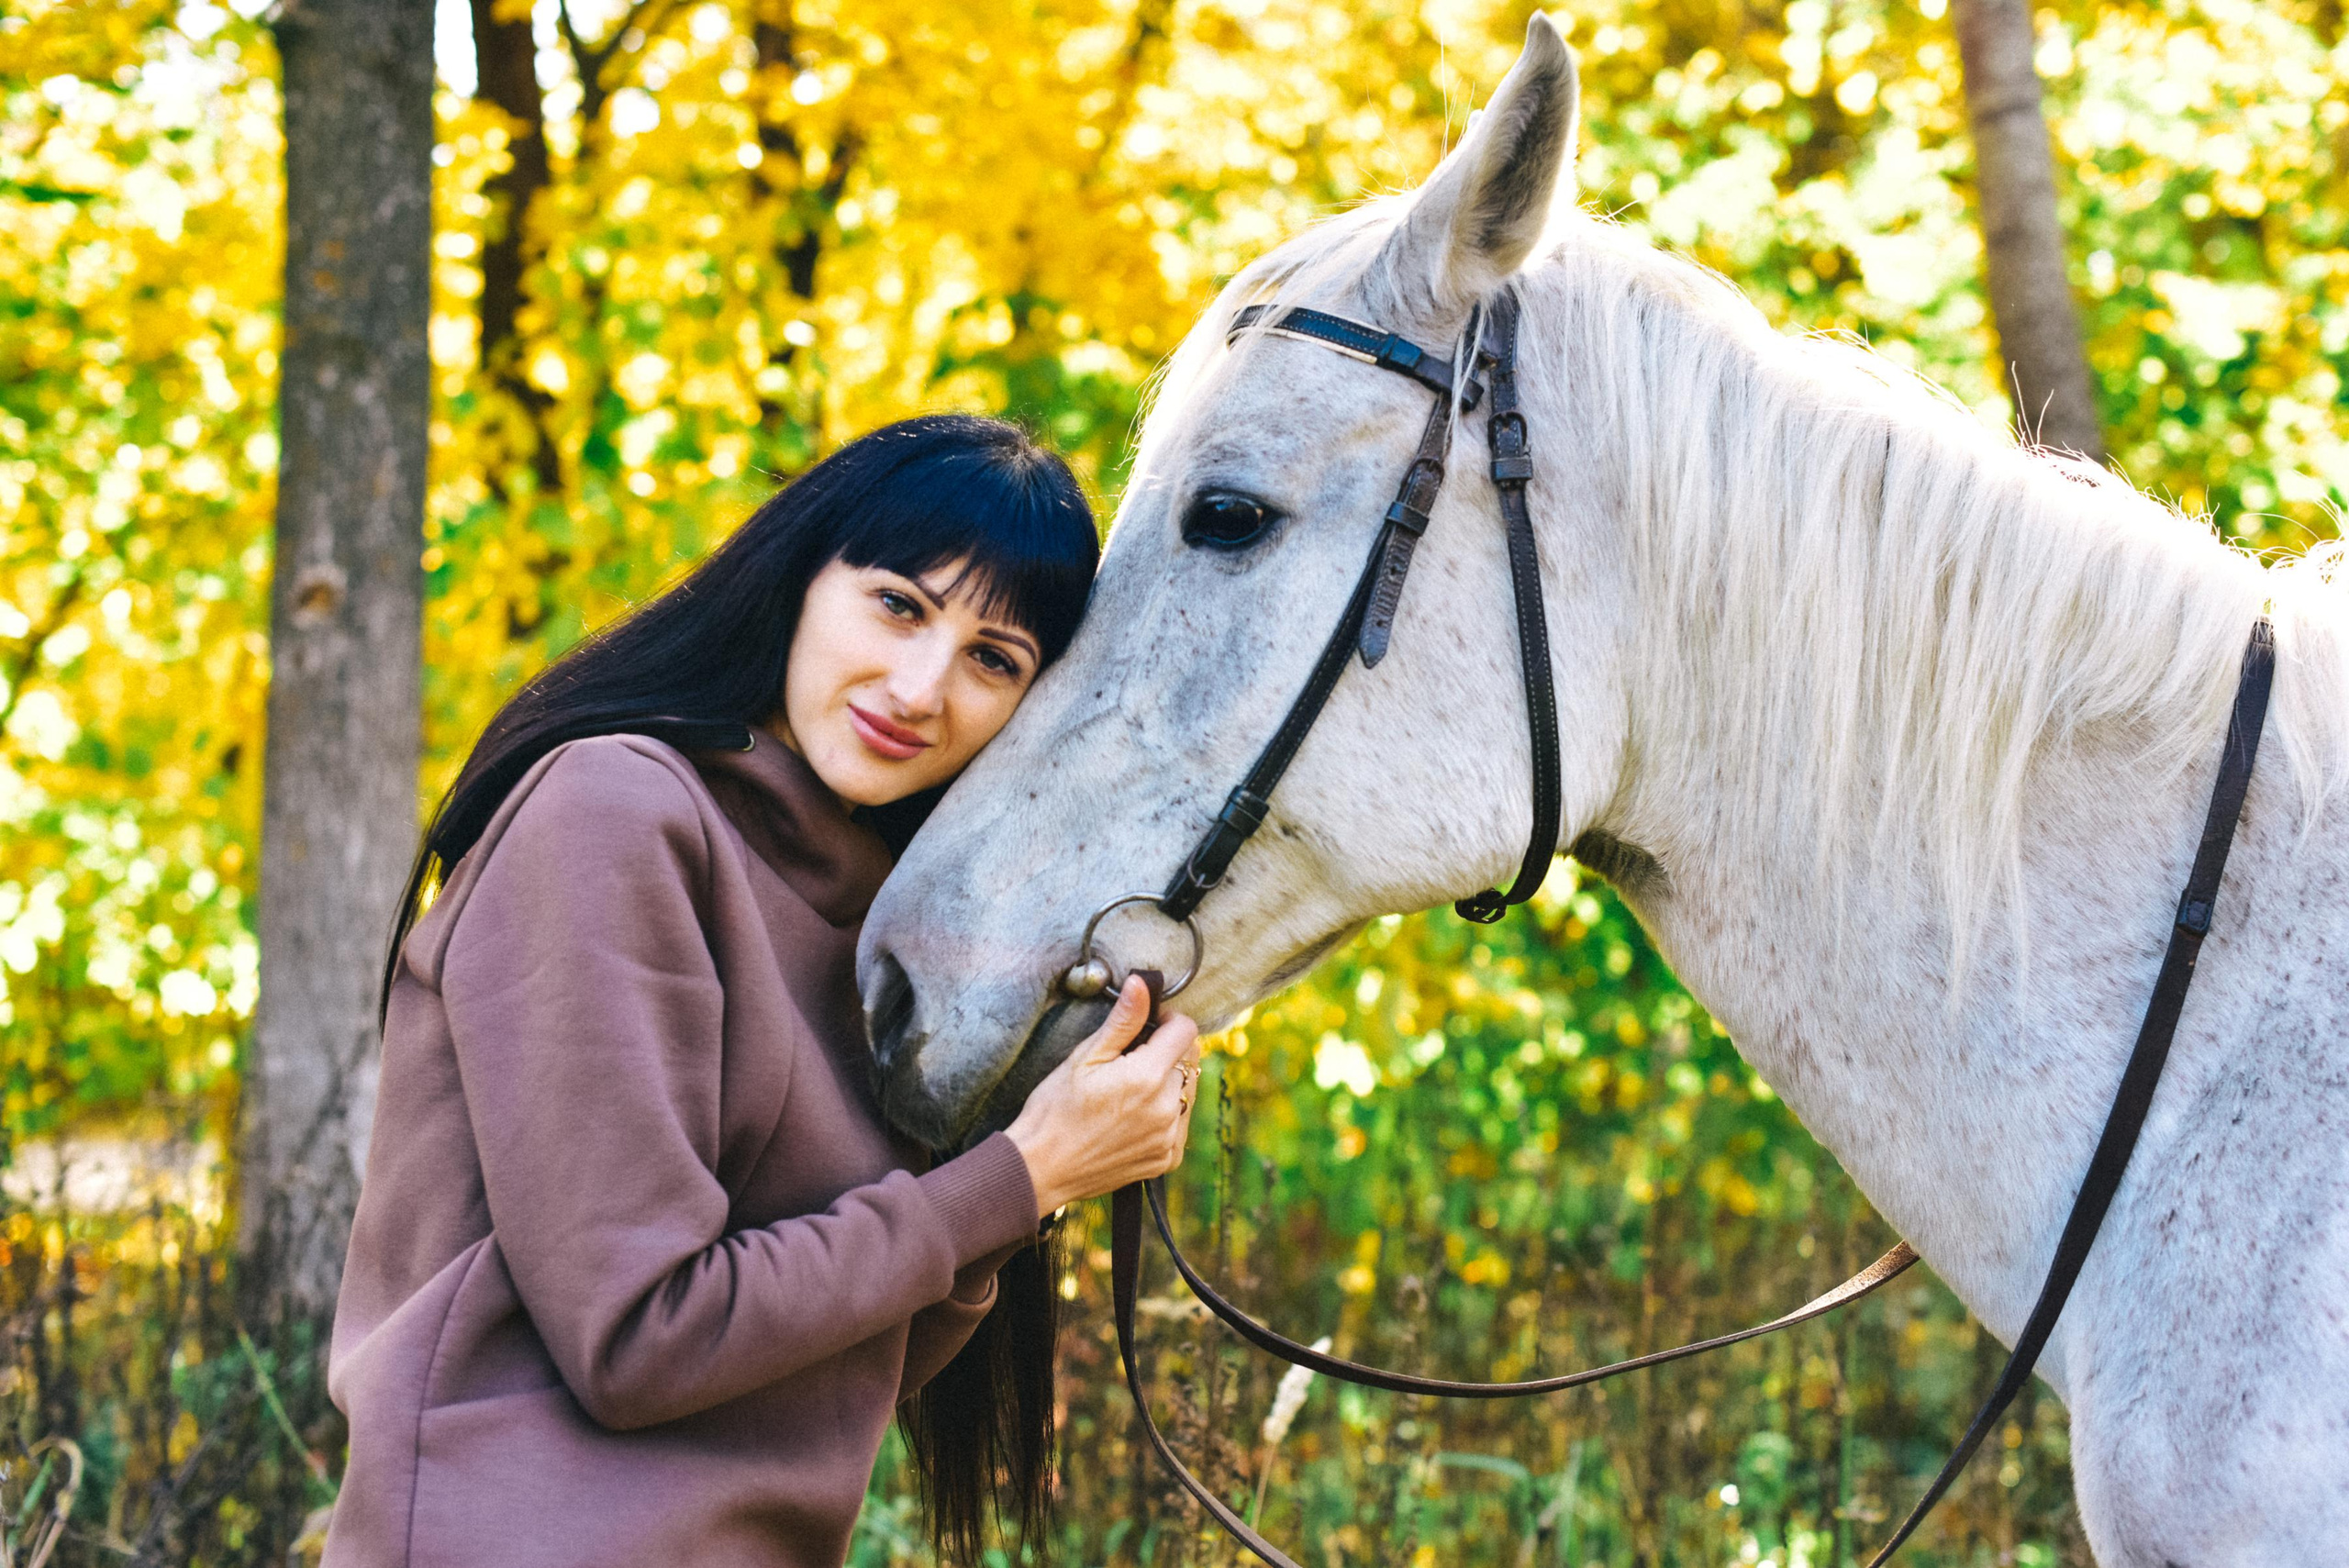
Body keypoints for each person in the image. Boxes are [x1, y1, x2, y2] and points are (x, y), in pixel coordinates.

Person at [322, 416, 1202, 1568]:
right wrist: (1017, 1177)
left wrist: (1035, 1173)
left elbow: (825, 1368)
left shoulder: (883, 929)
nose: (922, 684)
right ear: (801, 576)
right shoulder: (613, 815)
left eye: (995, 660)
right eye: (898, 603)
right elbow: (637, 1338)